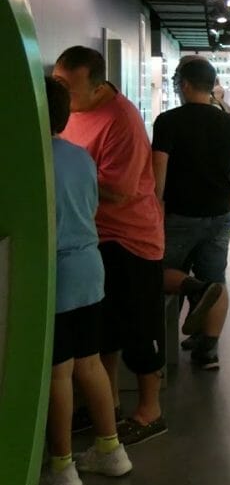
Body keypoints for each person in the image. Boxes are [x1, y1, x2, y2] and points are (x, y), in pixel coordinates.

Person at [52, 46, 167, 446]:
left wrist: (71, 178)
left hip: (130, 238)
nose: (62, 93)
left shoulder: (121, 119)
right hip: (91, 238)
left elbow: (118, 191)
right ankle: (109, 405)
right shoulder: (70, 115)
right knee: (104, 333)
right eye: (58, 83)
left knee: (140, 327)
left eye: (68, 86)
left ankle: (150, 409)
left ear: (97, 85)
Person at [40, 78, 132, 485]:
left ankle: (61, 467)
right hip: (90, 269)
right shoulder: (80, 157)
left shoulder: (30, 158)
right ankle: (110, 450)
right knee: (89, 362)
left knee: (58, 373)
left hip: (55, 274)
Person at [152, 57, 230, 369]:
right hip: (220, 213)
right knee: (215, 277)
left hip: (179, 214)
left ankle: (167, 340)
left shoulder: (168, 121)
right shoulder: (229, 122)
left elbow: (159, 170)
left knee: (162, 274)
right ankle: (208, 350)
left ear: (185, 85)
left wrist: (155, 203)